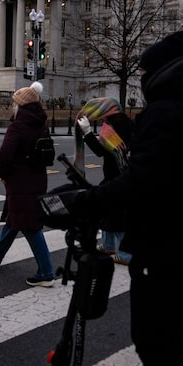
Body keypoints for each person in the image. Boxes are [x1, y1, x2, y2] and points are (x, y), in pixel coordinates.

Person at [49, 31, 183, 366]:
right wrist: (120, 121)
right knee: (174, 336)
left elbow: (143, 178)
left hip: (166, 244)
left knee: (152, 338)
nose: (140, 79)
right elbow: (163, 155)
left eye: (143, 72)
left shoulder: (167, 110)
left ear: (157, 73)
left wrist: (86, 201)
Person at [0, 81, 55, 287]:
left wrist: (3, 174)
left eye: (14, 103)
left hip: (19, 182)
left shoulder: (18, 126)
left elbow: (4, 154)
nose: (12, 106)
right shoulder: (42, 124)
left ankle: (46, 272)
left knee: (29, 225)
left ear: (20, 105)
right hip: (38, 179)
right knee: (17, 217)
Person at [74, 97, 134, 265]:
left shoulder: (111, 127)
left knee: (117, 213)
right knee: (107, 210)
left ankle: (125, 254)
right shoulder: (126, 123)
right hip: (124, 174)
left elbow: (100, 151)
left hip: (116, 177)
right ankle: (108, 245)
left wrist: (86, 133)